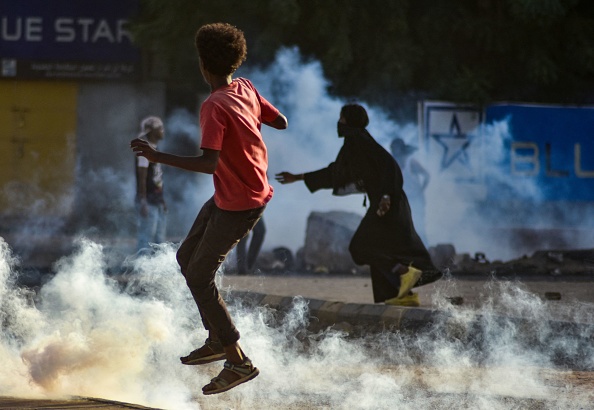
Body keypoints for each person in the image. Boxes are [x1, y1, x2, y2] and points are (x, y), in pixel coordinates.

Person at [130, 23, 288, 395]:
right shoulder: (245, 87)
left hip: (241, 203)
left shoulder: (213, 105)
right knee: (186, 258)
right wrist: (254, 124)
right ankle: (217, 338)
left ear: (203, 64)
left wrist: (157, 157)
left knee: (200, 276)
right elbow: (279, 120)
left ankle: (237, 360)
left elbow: (209, 164)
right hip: (229, 196)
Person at [275, 104, 440, 307]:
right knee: (378, 248)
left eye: (342, 119)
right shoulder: (355, 143)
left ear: (350, 121)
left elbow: (390, 167)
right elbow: (336, 173)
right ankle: (401, 295)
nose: (339, 123)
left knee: (360, 247)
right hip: (385, 204)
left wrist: (386, 196)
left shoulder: (359, 141)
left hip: (386, 205)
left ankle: (404, 273)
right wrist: (299, 177)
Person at [135, 116, 167, 252]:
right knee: (147, 236)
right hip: (148, 200)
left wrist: (162, 200)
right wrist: (143, 201)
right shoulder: (145, 151)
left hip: (157, 199)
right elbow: (141, 177)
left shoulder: (155, 149)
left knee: (160, 237)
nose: (162, 131)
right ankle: (142, 267)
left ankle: (156, 267)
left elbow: (157, 178)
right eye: (159, 128)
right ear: (151, 131)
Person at [390, 137, 430, 246]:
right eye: (393, 149)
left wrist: (421, 190)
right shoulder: (393, 164)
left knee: (418, 227)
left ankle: (426, 250)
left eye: (397, 149)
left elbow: (427, 175)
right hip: (402, 200)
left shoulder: (411, 162)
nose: (395, 151)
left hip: (416, 200)